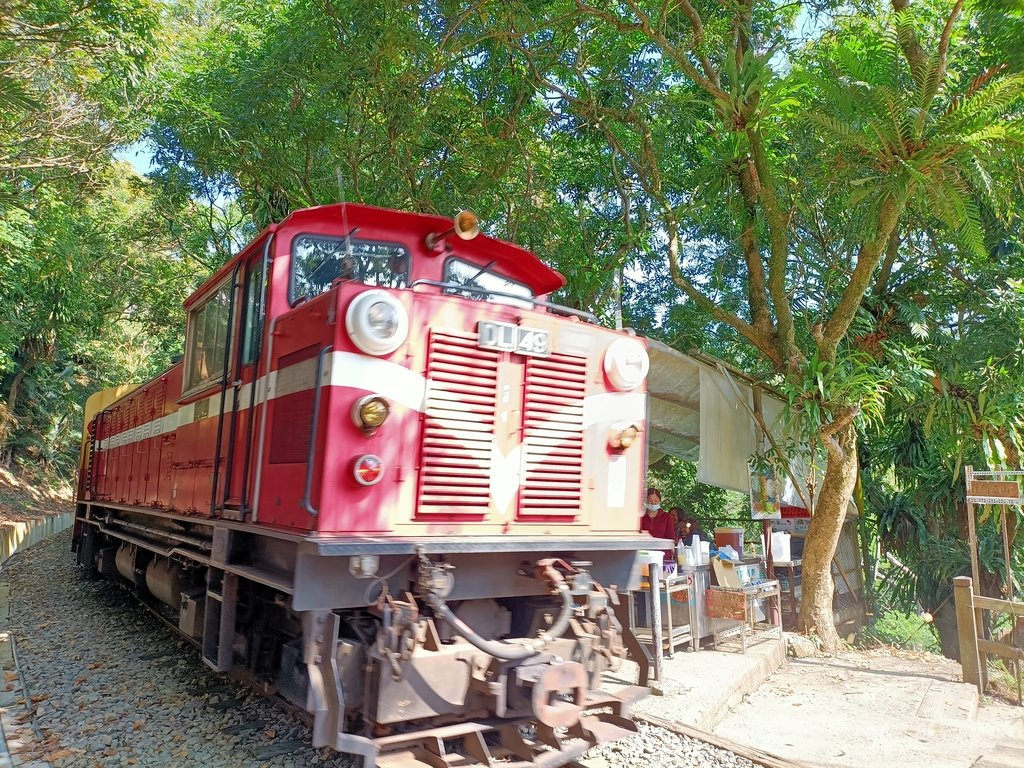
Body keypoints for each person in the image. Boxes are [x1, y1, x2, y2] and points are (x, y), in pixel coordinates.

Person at [640, 487, 675, 563]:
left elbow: (670, 538)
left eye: (656, 501)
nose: (653, 503)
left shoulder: (667, 517)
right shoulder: (640, 517)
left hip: (662, 556)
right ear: (646, 501)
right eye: (650, 501)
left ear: (660, 501)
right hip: (644, 556)